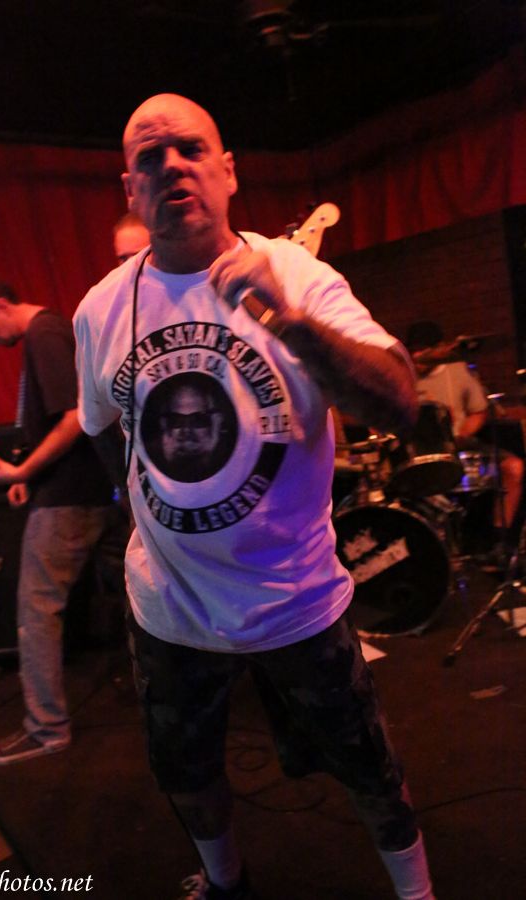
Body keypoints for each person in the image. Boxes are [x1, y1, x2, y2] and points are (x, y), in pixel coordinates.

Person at [74, 94, 434, 900]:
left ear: (228, 171)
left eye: (191, 148)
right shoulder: (99, 310)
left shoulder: (299, 276)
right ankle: (225, 883)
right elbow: (103, 428)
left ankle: (417, 891)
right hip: (168, 607)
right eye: (149, 157)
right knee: (187, 769)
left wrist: (290, 320)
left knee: (367, 763)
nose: (172, 166)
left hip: (292, 597)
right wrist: (145, 510)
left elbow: (401, 405)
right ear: (129, 187)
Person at [0, 274, 115, 764]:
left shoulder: (45, 333)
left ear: (2, 305)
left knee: (36, 613)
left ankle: (46, 729)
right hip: (77, 491)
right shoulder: (48, 333)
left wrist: (24, 470)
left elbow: (74, 418)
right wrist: (31, 474)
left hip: (69, 499)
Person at [407, 320, 524, 565]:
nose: (417, 356)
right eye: (413, 350)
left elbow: (479, 411)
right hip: (420, 453)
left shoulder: (457, 370)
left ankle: (498, 545)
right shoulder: (403, 376)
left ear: (440, 349)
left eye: (423, 350)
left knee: (514, 468)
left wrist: (461, 432)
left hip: (460, 445)